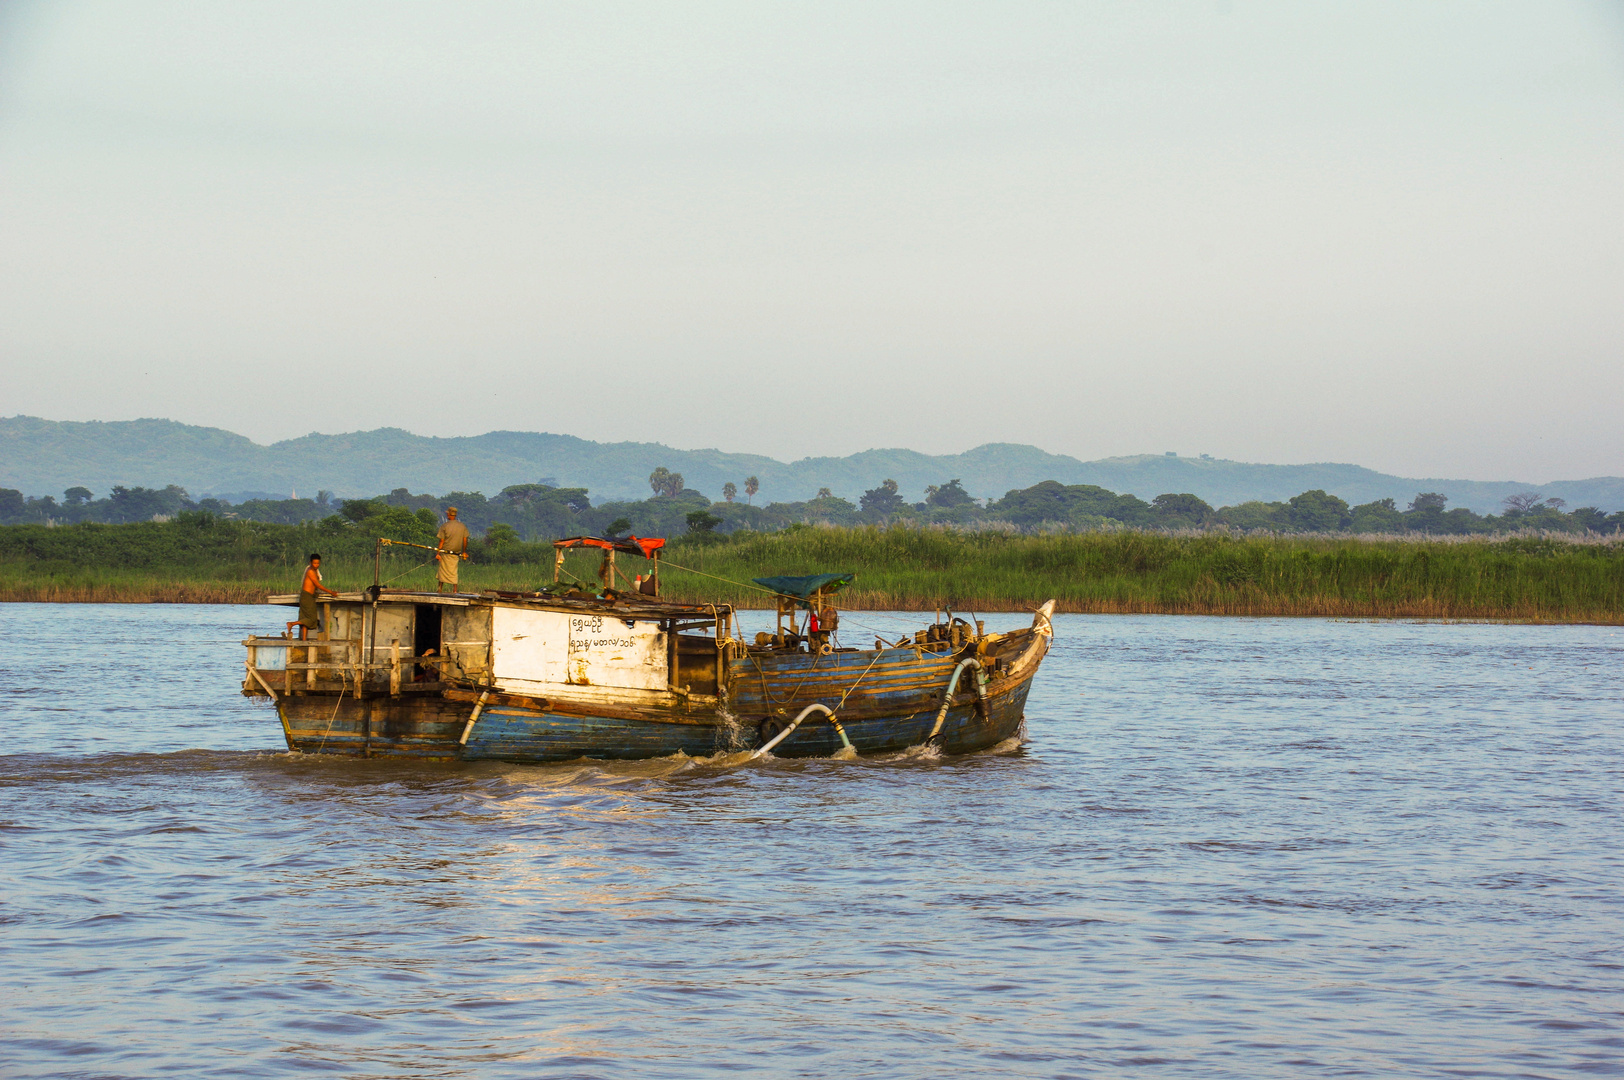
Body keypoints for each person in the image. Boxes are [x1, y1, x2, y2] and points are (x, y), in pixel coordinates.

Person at [287, 553, 338, 639]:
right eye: (314, 563)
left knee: (305, 618)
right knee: (312, 619)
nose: (316, 565)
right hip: (306, 596)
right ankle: (292, 624)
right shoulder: (310, 571)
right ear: (310, 563)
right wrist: (331, 592)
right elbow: (317, 585)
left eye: (318, 563)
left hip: (309, 596)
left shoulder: (315, 571)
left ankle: (304, 640)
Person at [435, 507, 471, 594]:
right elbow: (465, 540)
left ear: (449, 514)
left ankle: (440, 589)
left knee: (442, 572)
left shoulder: (445, 526)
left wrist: (438, 553)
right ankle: (454, 590)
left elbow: (442, 541)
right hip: (456, 553)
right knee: (453, 572)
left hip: (446, 552)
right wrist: (464, 551)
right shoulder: (462, 526)